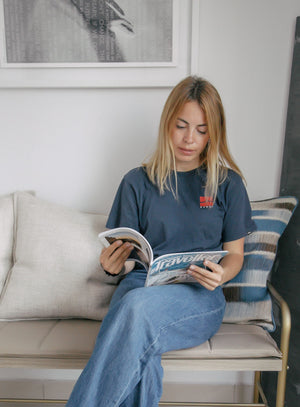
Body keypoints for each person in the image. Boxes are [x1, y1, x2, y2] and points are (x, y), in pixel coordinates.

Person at [66, 76, 256, 406]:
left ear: (214, 132)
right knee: (140, 337)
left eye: (201, 129)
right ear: (167, 122)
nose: (189, 139)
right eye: (181, 125)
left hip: (198, 295)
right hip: (140, 287)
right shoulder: (136, 182)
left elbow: (235, 255)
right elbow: (127, 254)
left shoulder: (228, 184)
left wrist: (222, 275)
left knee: (134, 310)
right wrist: (113, 266)